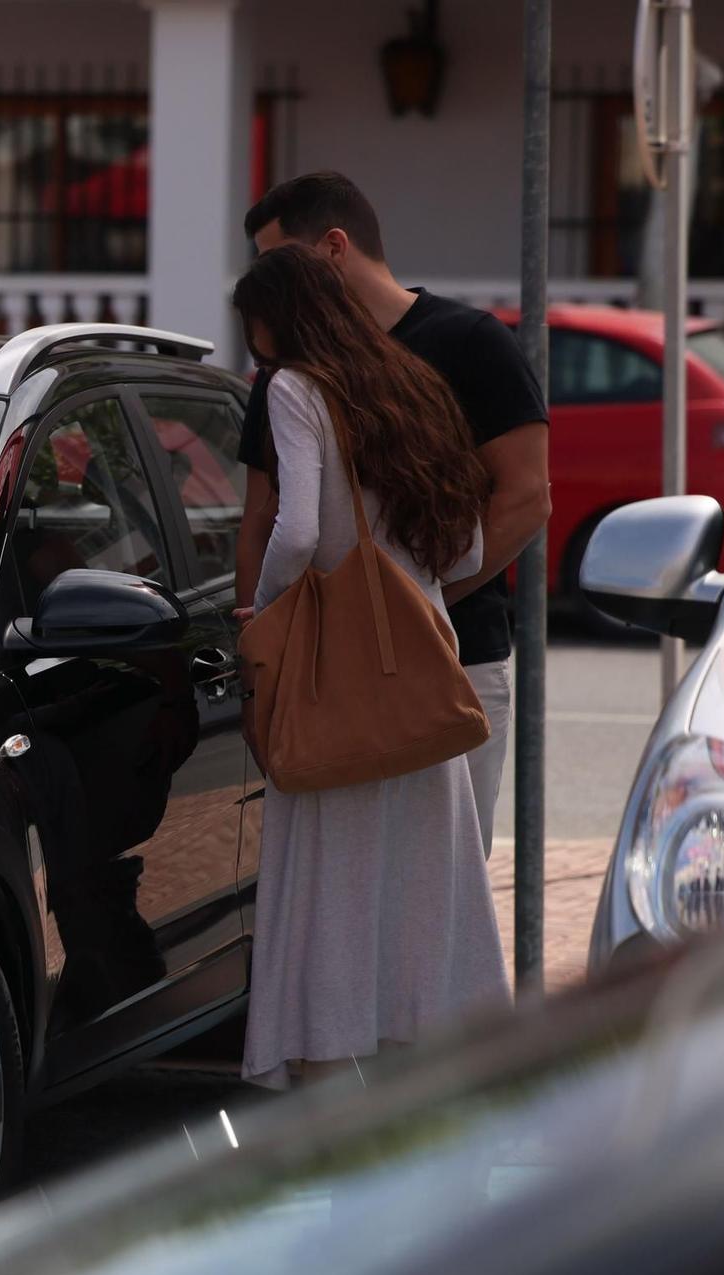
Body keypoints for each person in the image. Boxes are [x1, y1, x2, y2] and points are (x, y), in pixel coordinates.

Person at [233, 244, 510, 1089]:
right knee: (425, 893)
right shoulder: (410, 384)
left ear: (278, 316)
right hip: (423, 664)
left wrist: (269, 607)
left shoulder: (295, 388)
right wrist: (408, 589)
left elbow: (301, 531)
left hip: (332, 673)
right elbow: (464, 542)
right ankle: (426, 1089)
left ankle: (325, 1084)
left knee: (327, 891)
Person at [234, 173, 550, 857]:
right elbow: (258, 518)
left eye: (275, 261)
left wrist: (409, 606)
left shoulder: (467, 343)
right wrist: (263, 653)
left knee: (440, 880)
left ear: (333, 248)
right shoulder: (282, 372)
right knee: (345, 878)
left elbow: (526, 497)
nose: (266, 282)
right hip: (319, 671)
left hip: (454, 659)